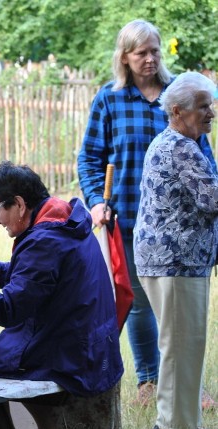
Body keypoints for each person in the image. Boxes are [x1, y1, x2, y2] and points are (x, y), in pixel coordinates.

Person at [77, 19, 216, 409]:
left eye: (155, 50)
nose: (150, 59)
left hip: (182, 223)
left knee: (182, 316)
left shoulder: (178, 97)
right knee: (140, 303)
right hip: (131, 217)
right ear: (124, 57)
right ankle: (150, 380)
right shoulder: (110, 99)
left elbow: (204, 158)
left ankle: (185, 388)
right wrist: (96, 200)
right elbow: (89, 157)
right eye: (141, 53)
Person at [0, 161, 123, 429]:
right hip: (85, 343)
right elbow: (35, 280)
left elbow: (9, 310)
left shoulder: (45, 241)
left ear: (18, 204)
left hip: (68, 353)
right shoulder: (65, 221)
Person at [134, 72, 218, 429]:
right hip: (174, 261)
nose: (211, 113)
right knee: (180, 343)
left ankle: (184, 423)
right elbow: (212, 199)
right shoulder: (180, 147)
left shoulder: (183, 142)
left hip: (178, 261)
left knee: (187, 343)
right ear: (178, 111)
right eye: (203, 106)